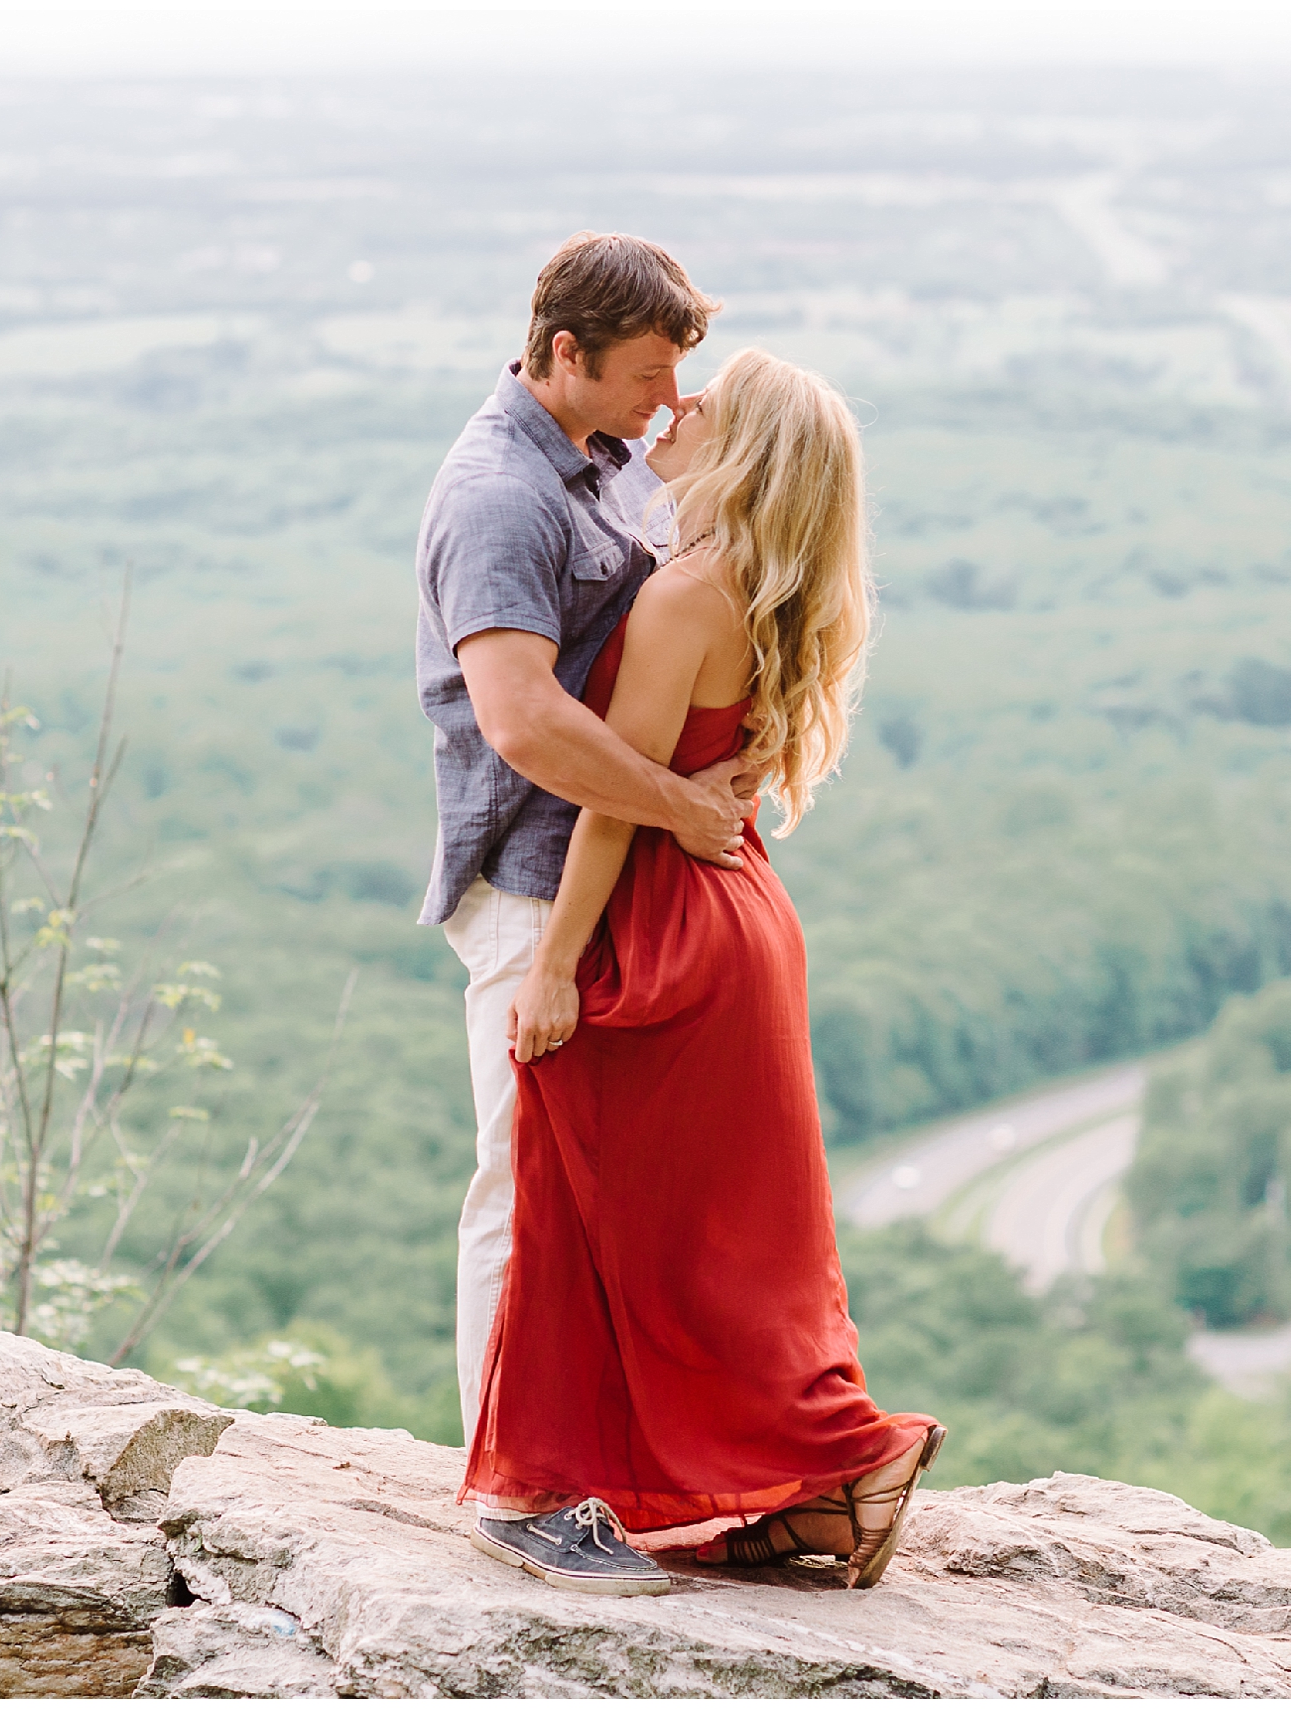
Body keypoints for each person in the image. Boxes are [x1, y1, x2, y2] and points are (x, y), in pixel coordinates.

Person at [459, 348, 946, 1597]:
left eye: (707, 404)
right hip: (747, 913)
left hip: (672, 920)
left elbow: (613, 807)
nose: (680, 410)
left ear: (748, 451)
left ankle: (565, 1483)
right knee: (732, 1233)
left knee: (587, 1201)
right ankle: (819, 1489)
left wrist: (556, 965)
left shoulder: (686, 594)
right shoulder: (780, 591)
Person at [413, 234, 758, 1472]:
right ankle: (514, 1480)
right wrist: (677, 801)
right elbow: (525, 720)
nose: (666, 400)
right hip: (527, 886)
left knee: (601, 1198)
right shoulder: (498, 492)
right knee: (519, 1193)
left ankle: (603, 1457)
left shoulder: (595, 456)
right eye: (648, 374)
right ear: (566, 352)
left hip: (601, 877)